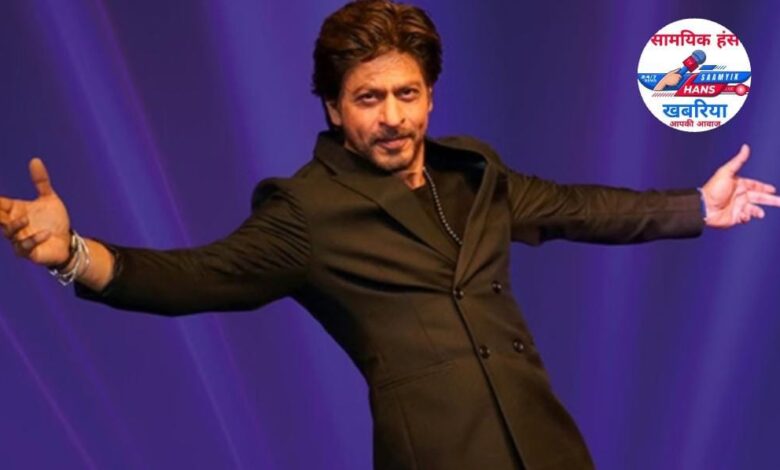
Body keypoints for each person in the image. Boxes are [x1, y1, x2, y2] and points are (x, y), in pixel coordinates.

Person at [1, 1, 778, 469]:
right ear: (334, 109)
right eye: (369, 98)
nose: (393, 116)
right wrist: (73, 254)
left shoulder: (475, 175)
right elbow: (194, 278)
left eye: (407, 94)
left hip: (547, 449)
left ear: (430, 96)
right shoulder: (307, 212)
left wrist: (694, 206)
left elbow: (579, 208)